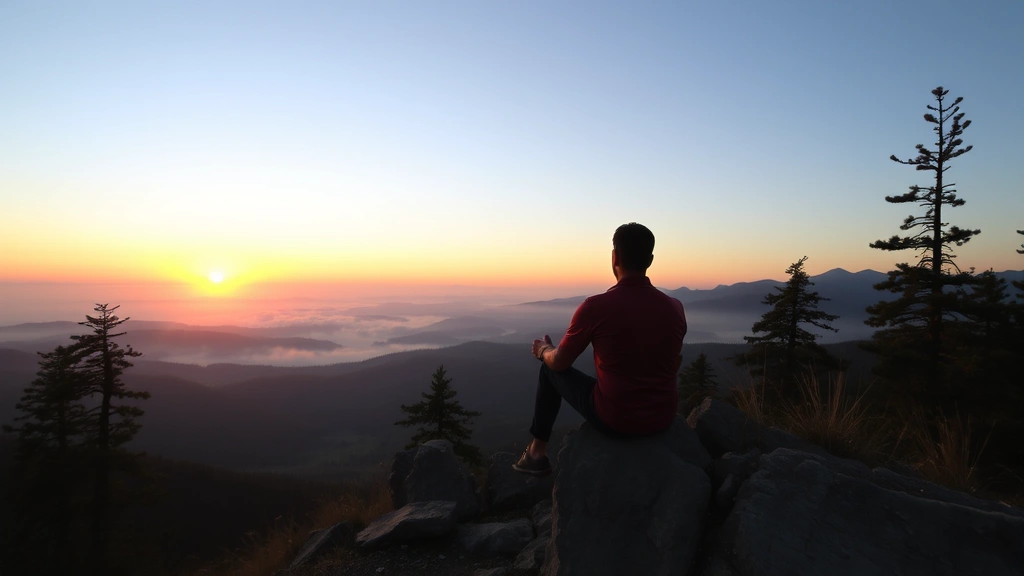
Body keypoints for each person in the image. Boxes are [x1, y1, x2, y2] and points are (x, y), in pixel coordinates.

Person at [513, 222, 687, 476]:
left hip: (617, 419)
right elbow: (674, 362)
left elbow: (560, 362)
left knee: (549, 371)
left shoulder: (596, 307)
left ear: (614, 257)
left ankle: (536, 453)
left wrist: (543, 350)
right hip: (663, 417)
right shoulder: (675, 307)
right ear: (650, 260)